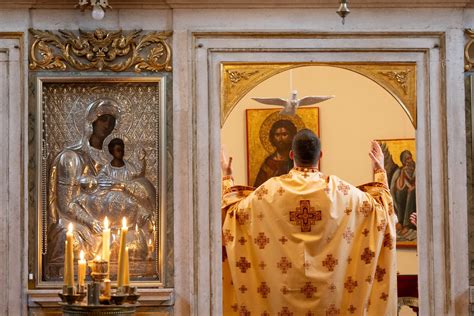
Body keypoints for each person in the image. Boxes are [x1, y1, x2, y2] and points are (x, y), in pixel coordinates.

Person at [221, 129, 397, 315]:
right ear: (320, 155)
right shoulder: (340, 191)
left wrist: (227, 176)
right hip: (329, 300)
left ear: (291, 155)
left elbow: (232, 212)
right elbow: (381, 208)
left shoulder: (270, 191)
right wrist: (380, 172)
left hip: (283, 296)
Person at [46, 99, 156, 274]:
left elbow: (133, 180)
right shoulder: (71, 157)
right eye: (103, 119)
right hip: (83, 220)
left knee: (136, 240)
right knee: (70, 238)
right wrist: (92, 223)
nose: (108, 125)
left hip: (113, 218)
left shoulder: (113, 160)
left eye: (112, 121)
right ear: (91, 121)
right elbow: (66, 204)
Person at [254, 119, 297, 187]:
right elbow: (258, 188)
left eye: (284, 134)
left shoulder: (296, 161)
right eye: (277, 135)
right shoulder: (268, 163)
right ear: (272, 137)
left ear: (291, 136)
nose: (280, 138)